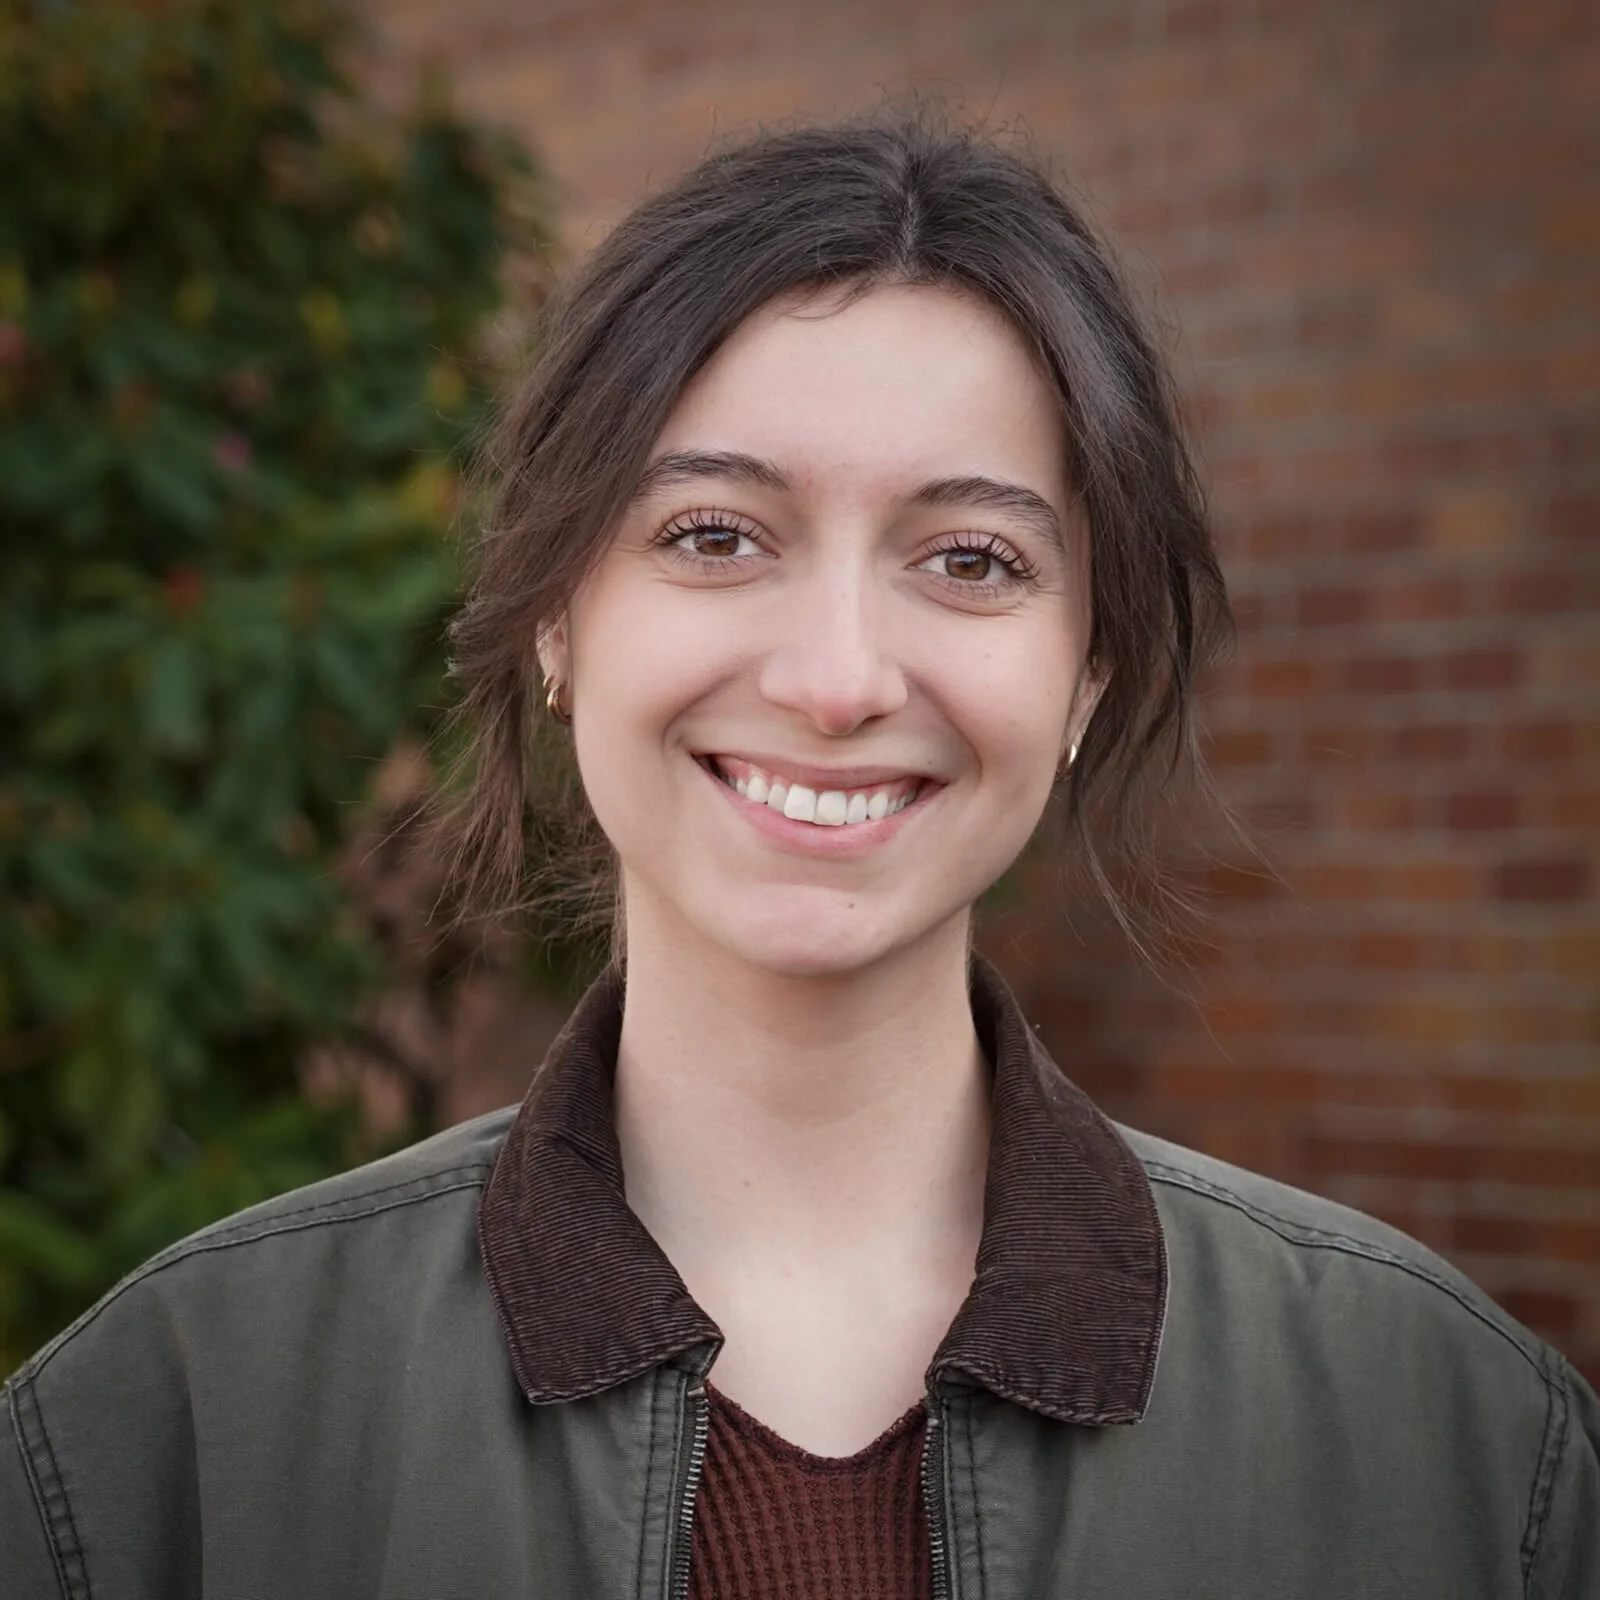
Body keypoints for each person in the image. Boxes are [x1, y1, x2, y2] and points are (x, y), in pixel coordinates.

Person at [2, 111, 1595, 1600]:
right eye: (714, 535)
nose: (839, 678)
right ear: (558, 620)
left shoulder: (1458, 1446)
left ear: (1085, 678)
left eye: (971, 559)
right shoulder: (168, 1439)